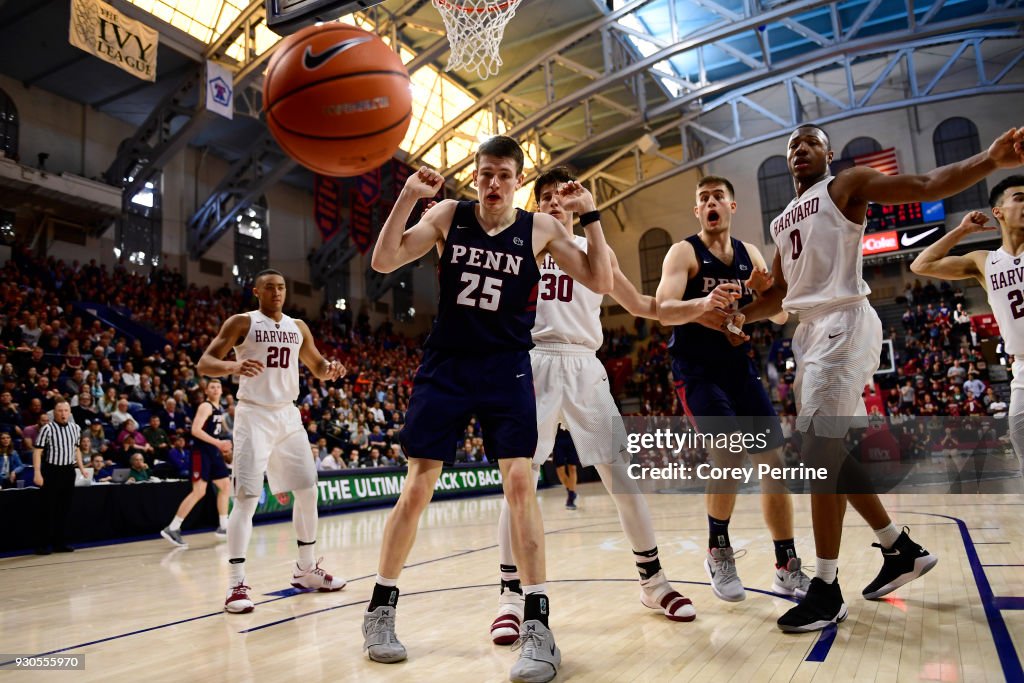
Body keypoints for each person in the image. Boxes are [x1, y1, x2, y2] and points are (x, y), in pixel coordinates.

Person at [739, 124, 1023, 632]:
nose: (798, 149)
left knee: (818, 453)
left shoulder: (844, 186)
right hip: (808, 334)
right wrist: (735, 315)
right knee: (829, 455)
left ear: (827, 153)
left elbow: (925, 185)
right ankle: (899, 548)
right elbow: (777, 295)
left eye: (809, 142)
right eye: (790, 146)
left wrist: (989, 160)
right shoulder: (783, 221)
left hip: (845, 319)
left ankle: (826, 587)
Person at [364, 137, 613, 683]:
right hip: (447, 364)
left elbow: (601, 280)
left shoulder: (541, 229)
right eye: (484, 174)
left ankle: (539, 627)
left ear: (517, 181)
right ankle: (380, 610)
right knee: (418, 486)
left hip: (507, 366)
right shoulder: (450, 215)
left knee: (521, 484)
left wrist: (589, 215)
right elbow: (383, 259)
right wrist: (407, 196)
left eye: (503, 174)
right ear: (473, 177)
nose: (493, 184)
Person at [489, 166, 694, 650]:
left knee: (620, 475)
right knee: (518, 483)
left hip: (583, 364)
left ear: (574, 204)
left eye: (562, 197)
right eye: (545, 198)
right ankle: (510, 597)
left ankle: (652, 581)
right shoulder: (519, 248)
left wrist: (701, 306)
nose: (554, 204)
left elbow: (644, 304)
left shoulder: (590, 251)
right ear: (536, 205)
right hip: (531, 364)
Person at [655, 174, 811, 604]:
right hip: (695, 369)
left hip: (737, 367)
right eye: (703, 198)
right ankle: (718, 551)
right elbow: (663, 311)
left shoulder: (750, 255)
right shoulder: (684, 252)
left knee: (774, 463)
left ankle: (786, 565)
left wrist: (762, 299)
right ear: (697, 210)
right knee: (728, 450)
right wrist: (703, 307)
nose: (710, 203)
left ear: (731, 207)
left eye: (718, 197)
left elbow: (779, 316)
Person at [197, 269, 347, 613]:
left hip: (287, 414)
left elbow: (317, 364)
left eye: (281, 287)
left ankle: (305, 569)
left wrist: (330, 369)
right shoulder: (242, 322)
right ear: (256, 291)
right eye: (270, 287)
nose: (277, 292)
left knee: (308, 489)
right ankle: (235, 584)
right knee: (247, 498)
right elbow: (205, 362)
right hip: (254, 415)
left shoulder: (298, 327)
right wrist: (233, 368)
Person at [910, 175, 1024, 462]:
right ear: (998, 212)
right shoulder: (984, 261)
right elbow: (921, 264)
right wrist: (961, 231)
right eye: (1020, 198)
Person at [160, 378, 233, 548]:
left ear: (222, 391)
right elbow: (195, 430)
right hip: (201, 453)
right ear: (206, 391)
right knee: (199, 492)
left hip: (213, 452)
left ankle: (224, 526)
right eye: (212, 387)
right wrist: (218, 443)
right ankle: (173, 527)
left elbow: (218, 432)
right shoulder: (205, 406)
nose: (215, 389)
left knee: (225, 485)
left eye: (218, 387)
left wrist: (224, 443)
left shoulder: (219, 408)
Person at [32, 400, 86, 554]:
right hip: (51, 471)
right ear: (54, 413)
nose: (63, 414)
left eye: (66, 410)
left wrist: (81, 468)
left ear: (70, 412)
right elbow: (37, 451)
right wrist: (37, 472)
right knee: (47, 509)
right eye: (60, 411)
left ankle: (59, 543)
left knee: (64, 509)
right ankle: (42, 544)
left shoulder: (76, 428)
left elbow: (76, 449)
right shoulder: (47, 429)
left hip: (68, 471)